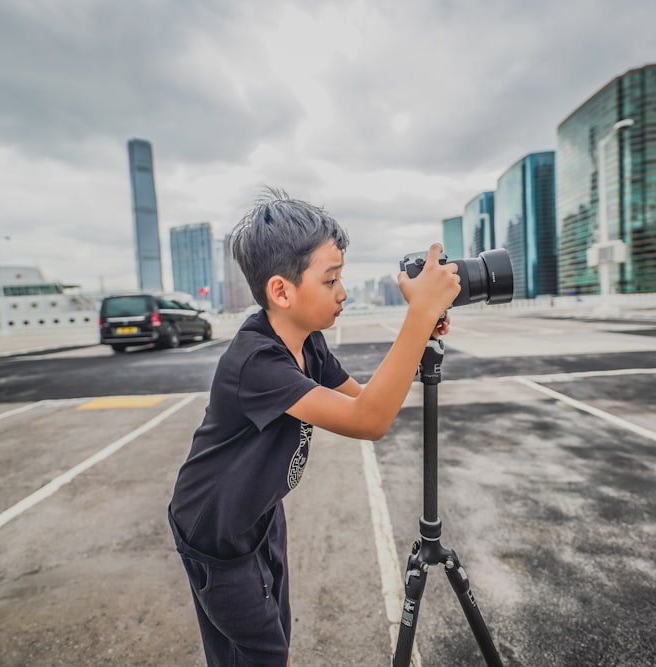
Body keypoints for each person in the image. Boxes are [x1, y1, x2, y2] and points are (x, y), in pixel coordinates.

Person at [167, 187, 460, 666]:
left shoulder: (309, 344)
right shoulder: (257, 362)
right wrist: (417, 315)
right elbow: (369, 422)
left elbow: (367, 400)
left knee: (271, 636)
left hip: (258, 515)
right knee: (262, 653)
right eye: (330, 280)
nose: (342, 292)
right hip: (216, 536)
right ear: (282, 291)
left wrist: (419, 331)